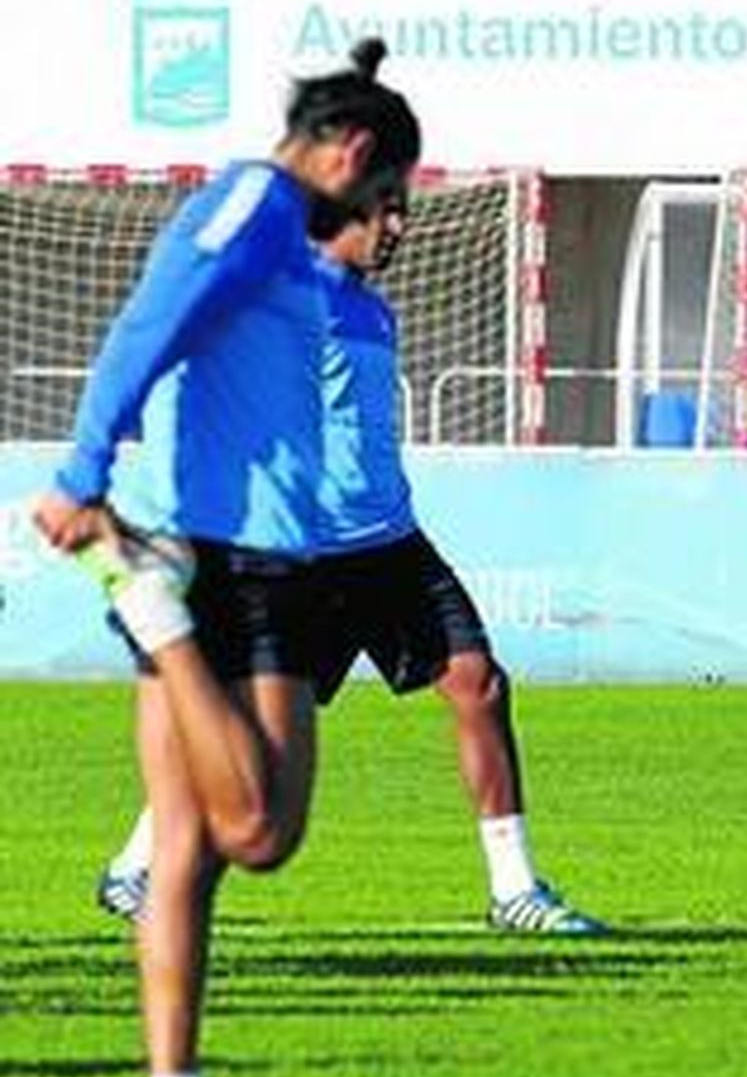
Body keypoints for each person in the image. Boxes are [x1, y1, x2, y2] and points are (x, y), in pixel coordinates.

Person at [31, 39, 420, 1077]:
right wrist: (84, 468)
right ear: (349, 155)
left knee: (190, 854)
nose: (384, 214)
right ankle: (148, 609)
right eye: (385, 189)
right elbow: (150, 321)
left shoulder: (283, 226)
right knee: (258, 830)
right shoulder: (254, 202)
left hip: (257, 553)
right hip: (220, 559)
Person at [96, 185, 606, 937]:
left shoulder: (373, 310)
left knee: (478, 683)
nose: (398, 227)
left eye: (401, 212)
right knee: (247, 743)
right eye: (384, 213)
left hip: (389, 542)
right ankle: (135, 867)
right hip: (298, 552)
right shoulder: (265, 297)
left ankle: (515, 889)